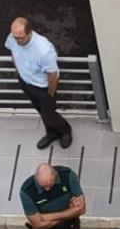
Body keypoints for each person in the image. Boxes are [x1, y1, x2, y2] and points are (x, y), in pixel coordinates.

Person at [5, 17, 72, 149]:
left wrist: (50, 95)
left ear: (30, 33)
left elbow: (52, 75)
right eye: (15, 37)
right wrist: (19, 72)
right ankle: (51, 133)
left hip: (43, 88)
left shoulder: (44, 50)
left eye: (21, 37)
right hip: (26, 82)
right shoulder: (13, 38)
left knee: (49, 115)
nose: (17, 40)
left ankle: (65, 130)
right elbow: (13, 52)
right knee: (41, 112)